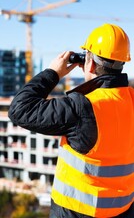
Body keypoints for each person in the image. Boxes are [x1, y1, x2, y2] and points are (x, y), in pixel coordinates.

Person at [8, 23, 134, 218]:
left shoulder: (82, 107)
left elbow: (19, 109)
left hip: (76, 212)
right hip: (123, 210)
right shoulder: (131, 100)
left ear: (89, 63)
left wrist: (52, 73)